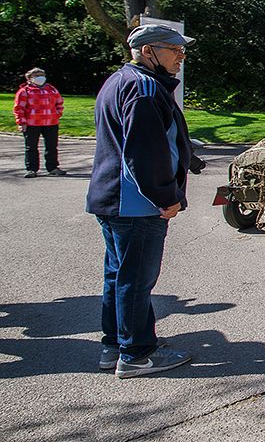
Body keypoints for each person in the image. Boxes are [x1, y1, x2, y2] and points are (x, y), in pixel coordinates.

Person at [87, 24, 193, 377]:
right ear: (149, 52)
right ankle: (136, 354)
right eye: (174, 50)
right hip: (137, 204)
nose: (181, 56)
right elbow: (143, 154)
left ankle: (114, 344)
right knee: (136, 279)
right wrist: (167, 197)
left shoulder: (121, 81)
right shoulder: (144, 89)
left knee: (119, 275)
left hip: (116, 200)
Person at [13, 67, 65, 178]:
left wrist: (56, 114)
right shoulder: (24, 91)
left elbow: (59, 102)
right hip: (32, 123)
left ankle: (53, 167)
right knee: (31, 147)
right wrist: (21, 122)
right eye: (36, 76)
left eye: (41, 75)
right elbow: (19, 108)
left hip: (51, 122)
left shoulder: (51, 89)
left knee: (52, 147)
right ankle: (32, 169)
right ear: (29, 78)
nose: (40, 77)